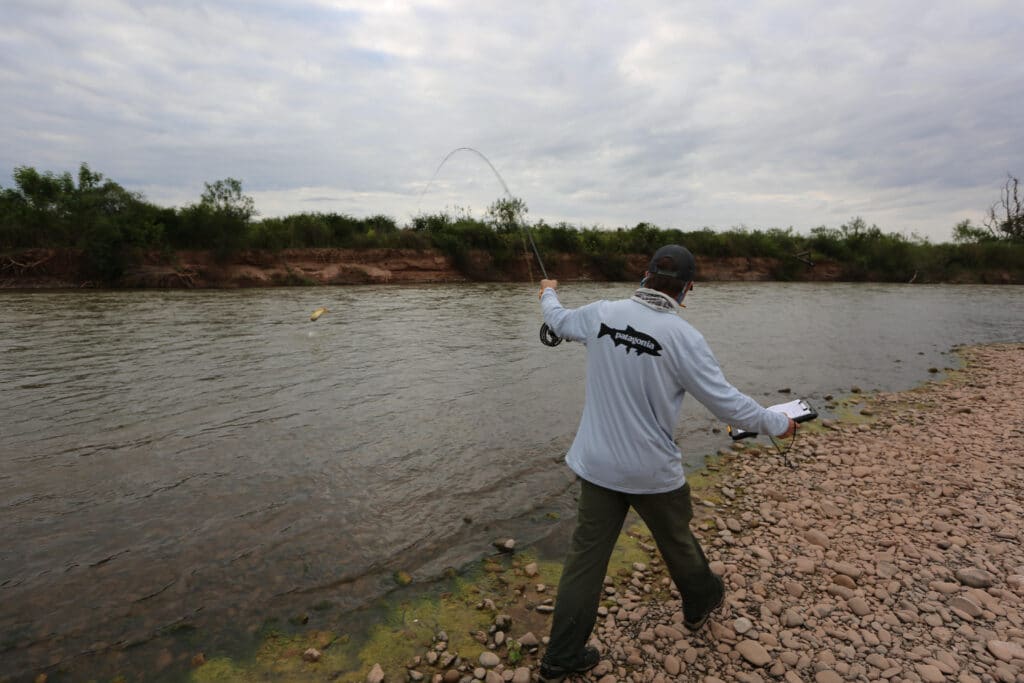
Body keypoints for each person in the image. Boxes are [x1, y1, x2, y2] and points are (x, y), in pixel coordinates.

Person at [535, 244, 796, 682]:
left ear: (645, 275)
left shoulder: (601, 314)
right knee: (677, 542)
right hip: (652, 473)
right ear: (688, 288)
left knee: (585, 562)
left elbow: (557, 320)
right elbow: (729, 406)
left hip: (597, 468)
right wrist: (780, 423)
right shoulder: (685, 339)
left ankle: (560, 658)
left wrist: (547, 291)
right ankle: (701, 602)